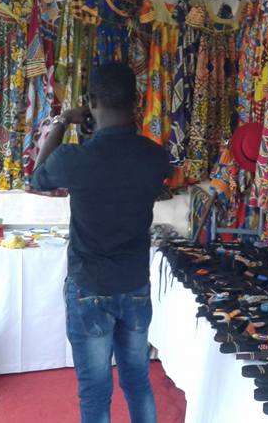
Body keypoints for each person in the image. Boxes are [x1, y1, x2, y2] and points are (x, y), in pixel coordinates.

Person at [32, 63, 171, 423]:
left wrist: (63, 121)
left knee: (95, 392)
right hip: (134, 285)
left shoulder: (75, 158)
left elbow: (38, 177)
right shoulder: (155, 156)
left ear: (92, 101)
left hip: (89, 287)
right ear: (136, 102)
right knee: (138, 382)